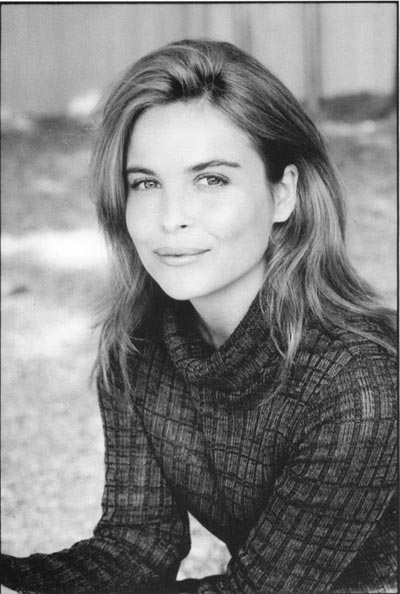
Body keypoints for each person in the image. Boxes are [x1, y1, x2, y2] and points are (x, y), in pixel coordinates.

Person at [1, 39, 397, 594]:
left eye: (211, 179)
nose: (171, 219)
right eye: (146, 183)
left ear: (284, 193)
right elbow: (136, 548)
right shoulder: (138, 347)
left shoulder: (358, 381)